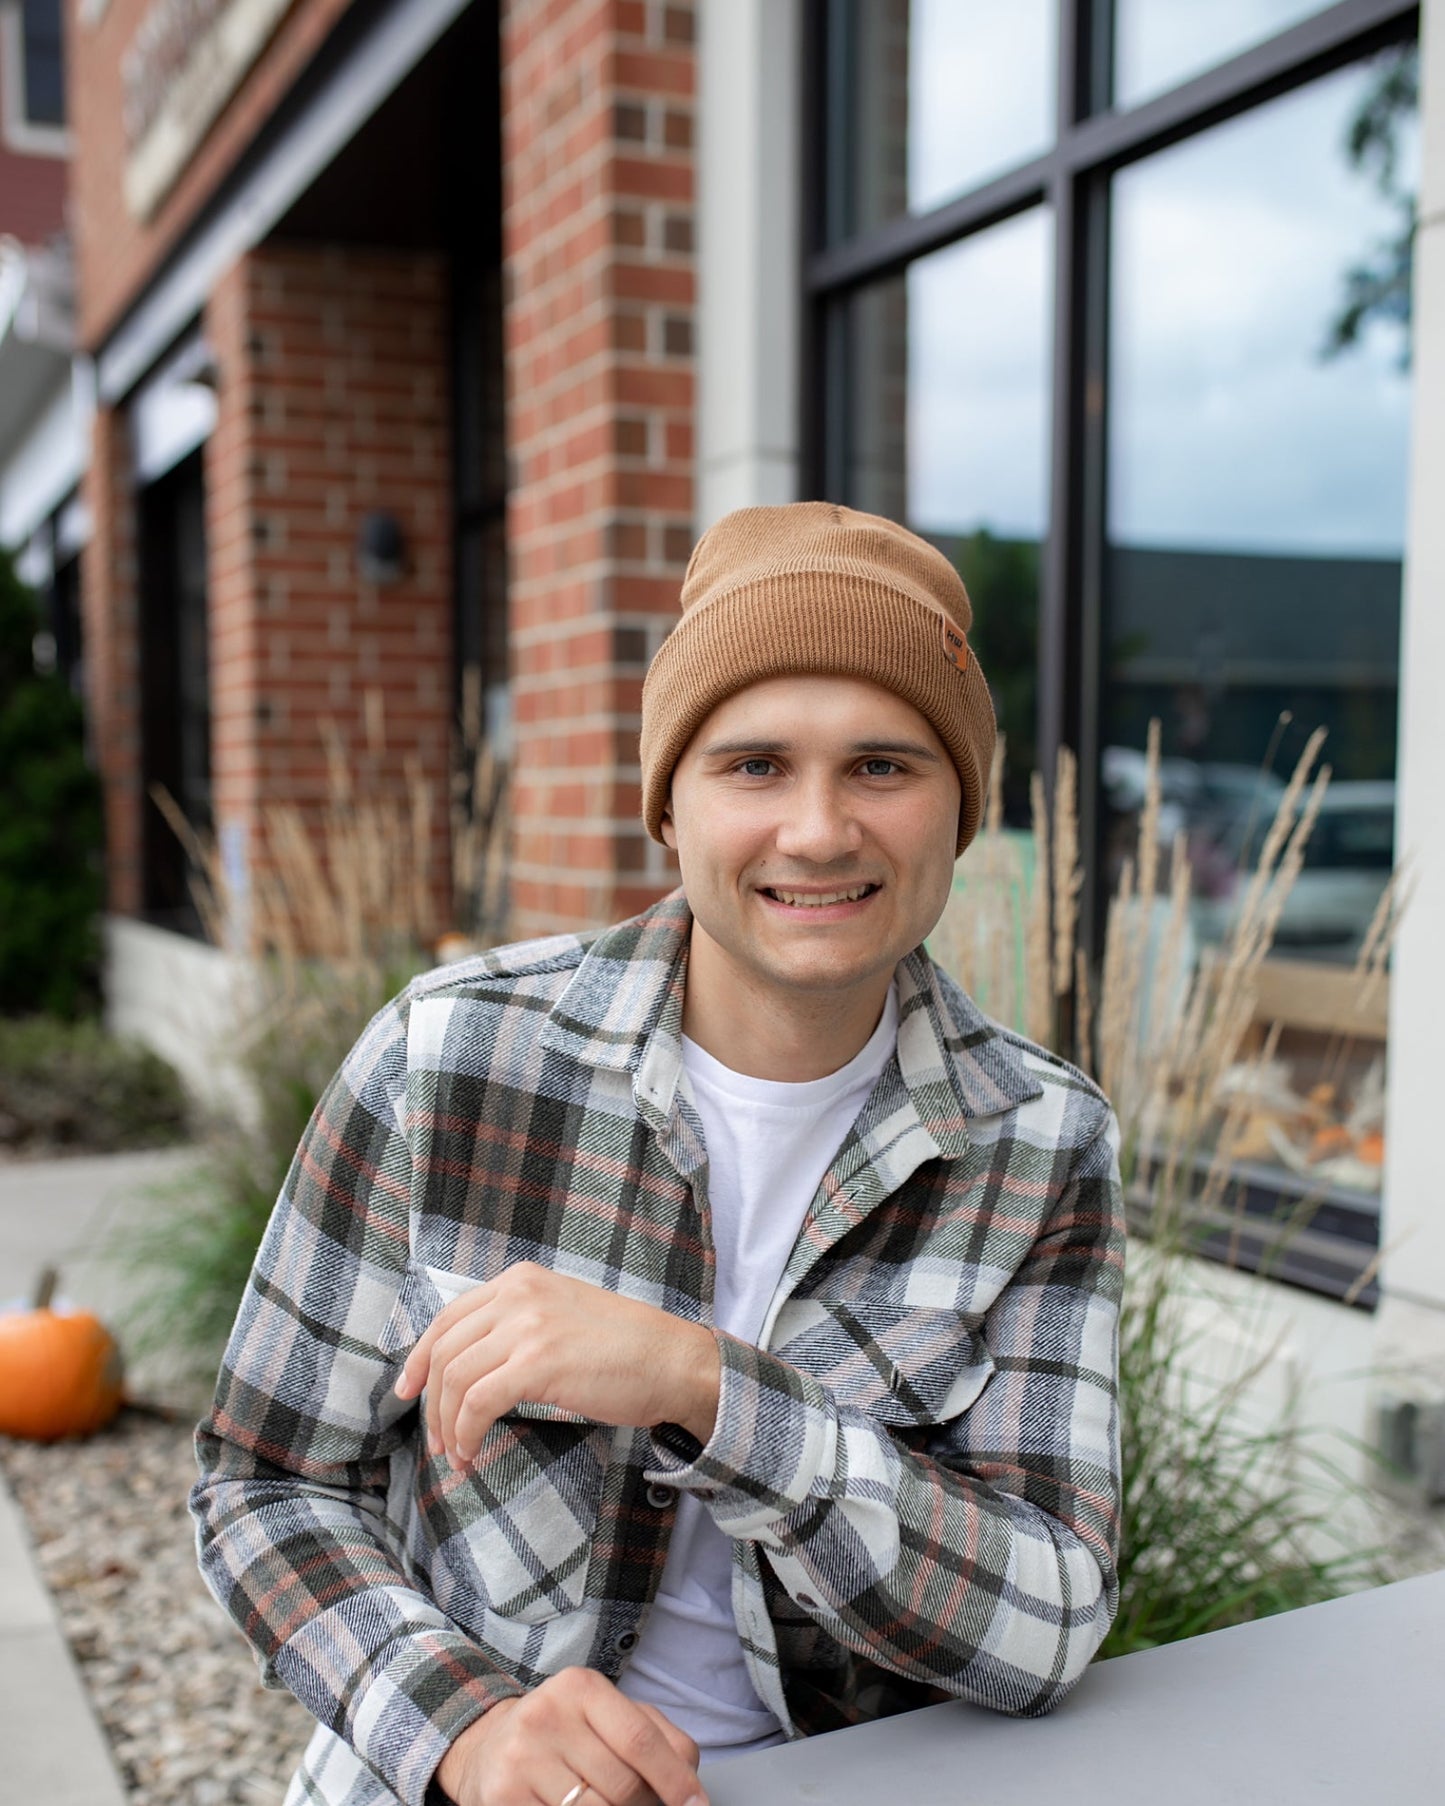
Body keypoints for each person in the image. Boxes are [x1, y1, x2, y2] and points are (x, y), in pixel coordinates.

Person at [191, 502, 1125, 1806]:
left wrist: (706, 1387)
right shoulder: (451, 1056)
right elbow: (263, 1481)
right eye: (752, 765)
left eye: (882, 765)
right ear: (667, 809)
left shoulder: (1038, 1140)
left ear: (959, 807)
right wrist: (466, 1729)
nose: (816, 829)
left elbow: (1050, 1615)